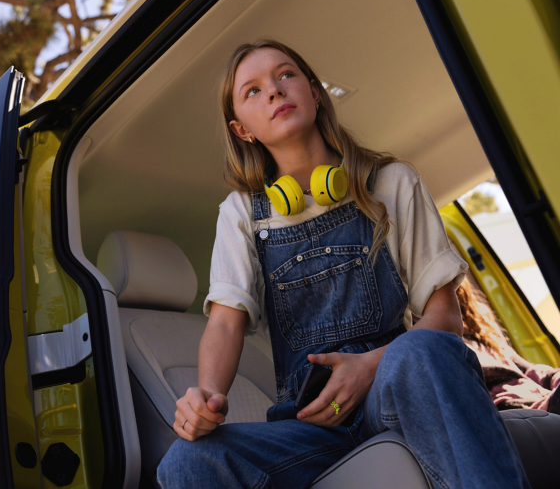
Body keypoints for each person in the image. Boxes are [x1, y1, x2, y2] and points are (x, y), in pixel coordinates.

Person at [156, 39, 531, 489]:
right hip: (308, 425)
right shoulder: (241, 214)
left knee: (423, 349)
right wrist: (208, 396)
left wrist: (370, 365)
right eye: (252, 90)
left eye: (285, 74)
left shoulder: (393, 183)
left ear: (315, 93)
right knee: (185, 462)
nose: (274, 91)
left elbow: (445, 320)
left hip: (392, 391)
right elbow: (225, 323)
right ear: (243, 131)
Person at [457, 278, 560, 415]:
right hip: (518, 413)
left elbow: (530, 370)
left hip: (543, 400)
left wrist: (556, 377)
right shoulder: (438, 348)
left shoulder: (481, 335)